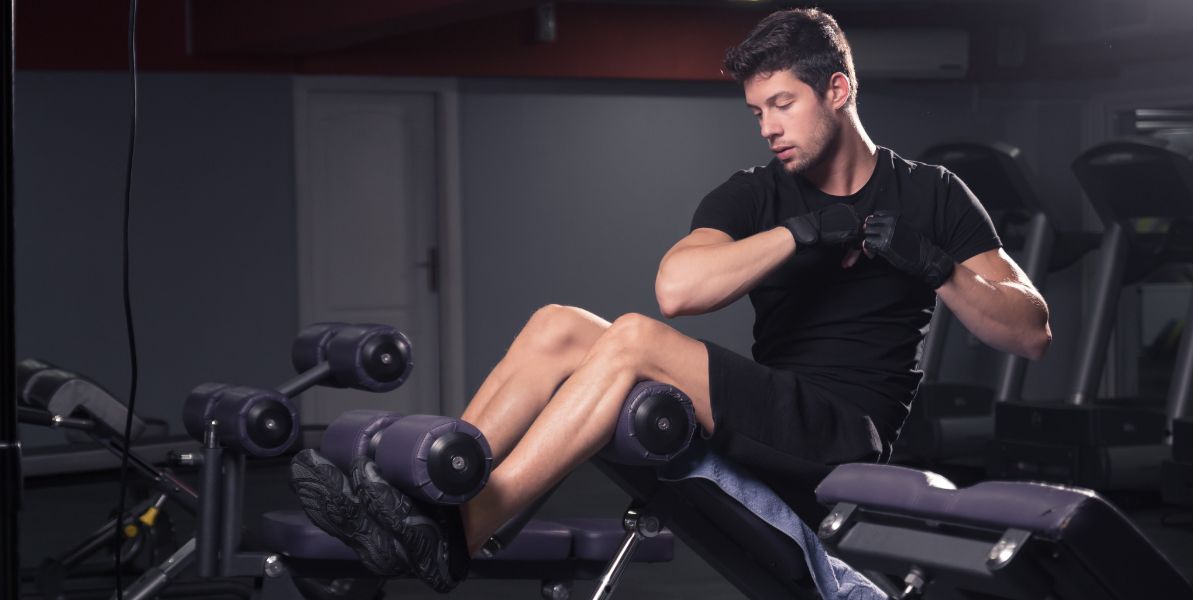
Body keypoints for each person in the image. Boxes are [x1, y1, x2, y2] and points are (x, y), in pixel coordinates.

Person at [290, 7, 1052, 592]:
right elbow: (678, 288)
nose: (770, 128)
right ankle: (431, 496)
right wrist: (810, 229)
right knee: (558, 324)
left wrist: (936, 266)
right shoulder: (760, 194)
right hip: (766, 410)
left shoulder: (931, 194)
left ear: (838, 89)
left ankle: (464, 530)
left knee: (631, 338)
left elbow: (1030, 332)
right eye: (757, 112)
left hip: (842, 433)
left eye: (783, 104)